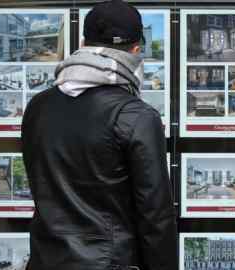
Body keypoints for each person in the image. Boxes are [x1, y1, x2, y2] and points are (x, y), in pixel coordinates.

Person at [21, 1, 177, 269]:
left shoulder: (38, 107)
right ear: (137, 50)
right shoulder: (136, 116)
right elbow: (155, 217)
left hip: (45, 261)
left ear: (83, 42)